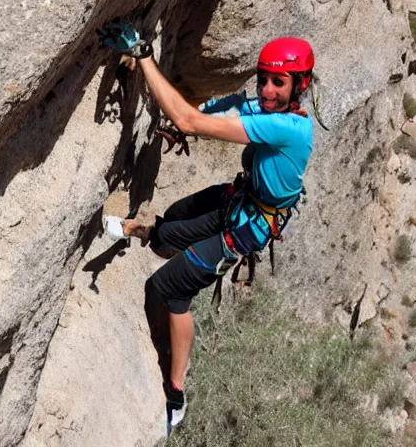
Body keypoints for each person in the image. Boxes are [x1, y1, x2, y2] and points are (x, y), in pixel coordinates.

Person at [101, 29, 314, 430]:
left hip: (248, 227)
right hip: (238, 200)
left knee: (171, 287)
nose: (267, 90)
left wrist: (144, 54)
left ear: (299, 86)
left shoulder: (288, 128)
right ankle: (148, 234)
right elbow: (233, 104)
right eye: (264, 78)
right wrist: (198, 118)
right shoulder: (271, 110)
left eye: (278, 82)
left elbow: (188, 119)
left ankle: (176, 392)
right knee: (170, 226)